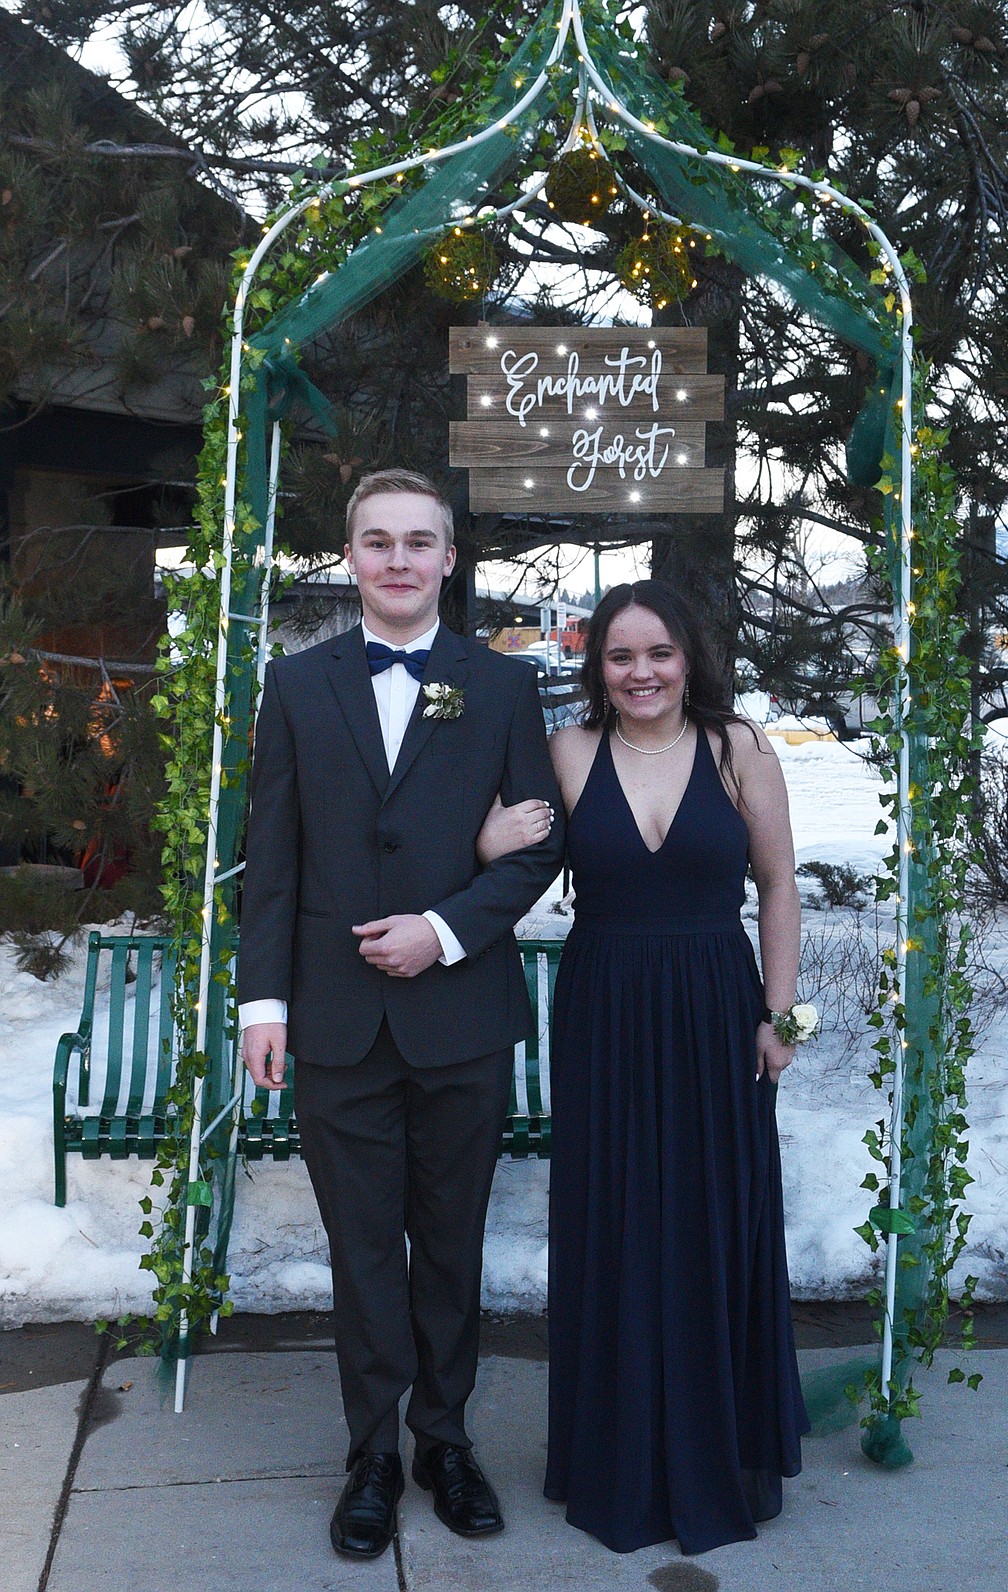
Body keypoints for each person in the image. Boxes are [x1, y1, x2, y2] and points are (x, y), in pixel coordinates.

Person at [236, 468, 563, 1561]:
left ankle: (445, 1438)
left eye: (419, 541)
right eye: (377, 541)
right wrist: (263, 1002)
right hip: (334, 1019)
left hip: (460, 1011)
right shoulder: (295, 682)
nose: (398, 559)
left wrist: (446, 927)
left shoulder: (503, 688)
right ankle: (371, 1451)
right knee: (363, 1246)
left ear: (450, 559)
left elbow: (538, 842)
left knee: (451, 1245)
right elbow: (271, 858)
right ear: (350, 556)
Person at [477, 579, 810, 1554]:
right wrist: (486, 834)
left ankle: (718, 1450)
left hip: (716, 1005)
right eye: (621, 655)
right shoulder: (569, 750)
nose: (641, 671)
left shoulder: (738, 745)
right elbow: (505, 857)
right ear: (598, 664)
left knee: (713, 1220)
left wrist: (781, 1012)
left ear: (688, 655)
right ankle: (618, 1459)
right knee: (620, 1224)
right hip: (608, 1011)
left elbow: (781, 883)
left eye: (657, 652)